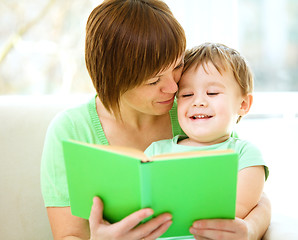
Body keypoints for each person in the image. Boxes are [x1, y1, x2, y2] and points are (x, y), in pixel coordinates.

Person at [40, 1, 271, 239]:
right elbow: (69, 234)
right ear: (113, 81)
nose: (173, 88)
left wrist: (250, 230)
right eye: (153, 81)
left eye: (177, 66)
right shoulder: (71, 130)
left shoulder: (190, 112)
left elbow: (254, 198)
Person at [144, 42, 269, 238]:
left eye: (212, 93)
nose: (198, 101)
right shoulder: (154, 151)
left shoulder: (245, 154)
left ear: (243, 104)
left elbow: (236, 210)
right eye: (186, 94)